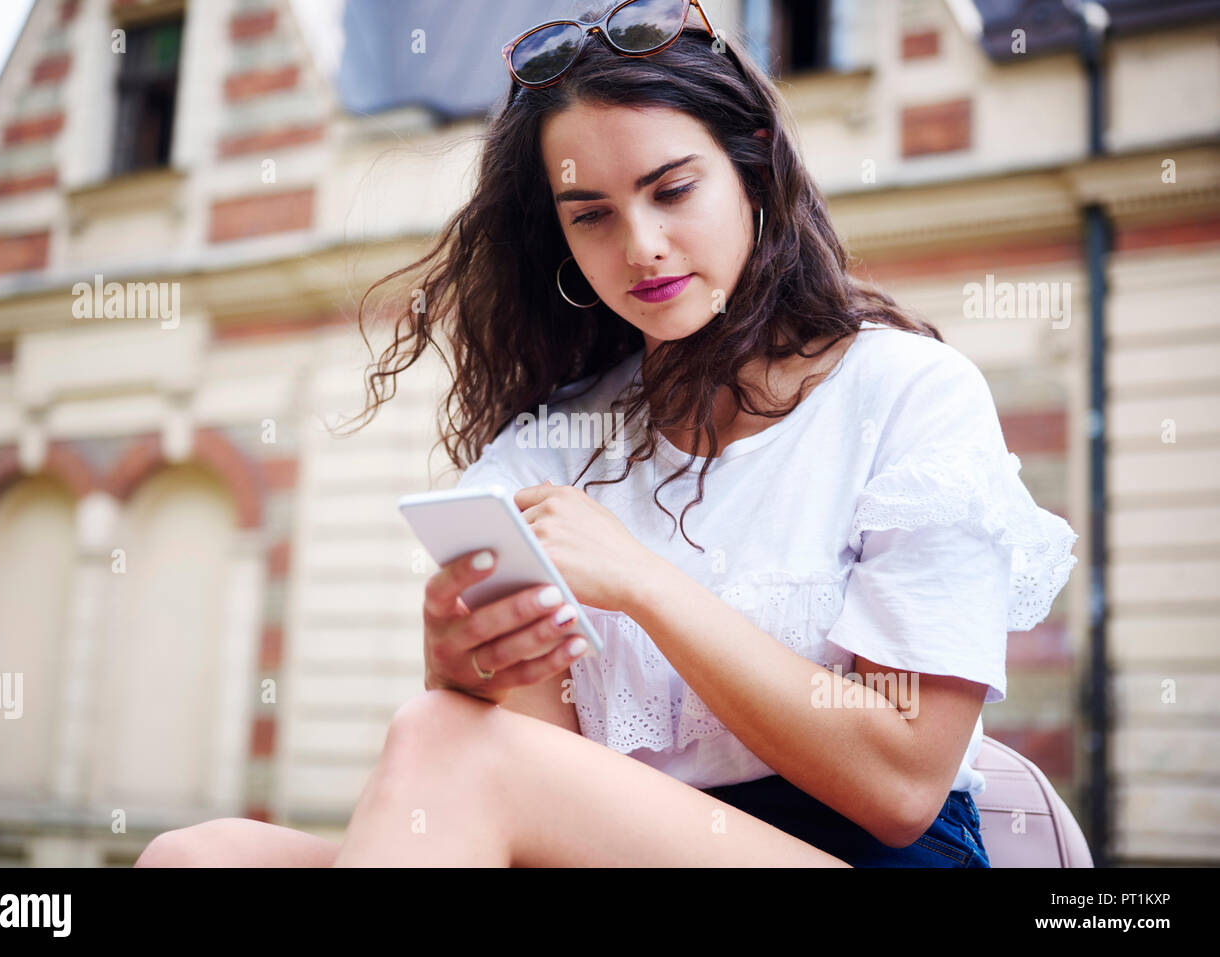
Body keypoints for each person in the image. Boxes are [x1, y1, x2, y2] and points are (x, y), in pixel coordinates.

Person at [135, 0, 1077, 867]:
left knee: (439, 741)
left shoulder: (907, 392)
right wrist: (472, 669)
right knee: (197, 857)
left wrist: (641, 581)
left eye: (672, 190)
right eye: (592, 215)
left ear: (752, 165)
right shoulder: (548, 448)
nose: (640, 246)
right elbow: (528, 767)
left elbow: (904, 782)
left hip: (862, 851)